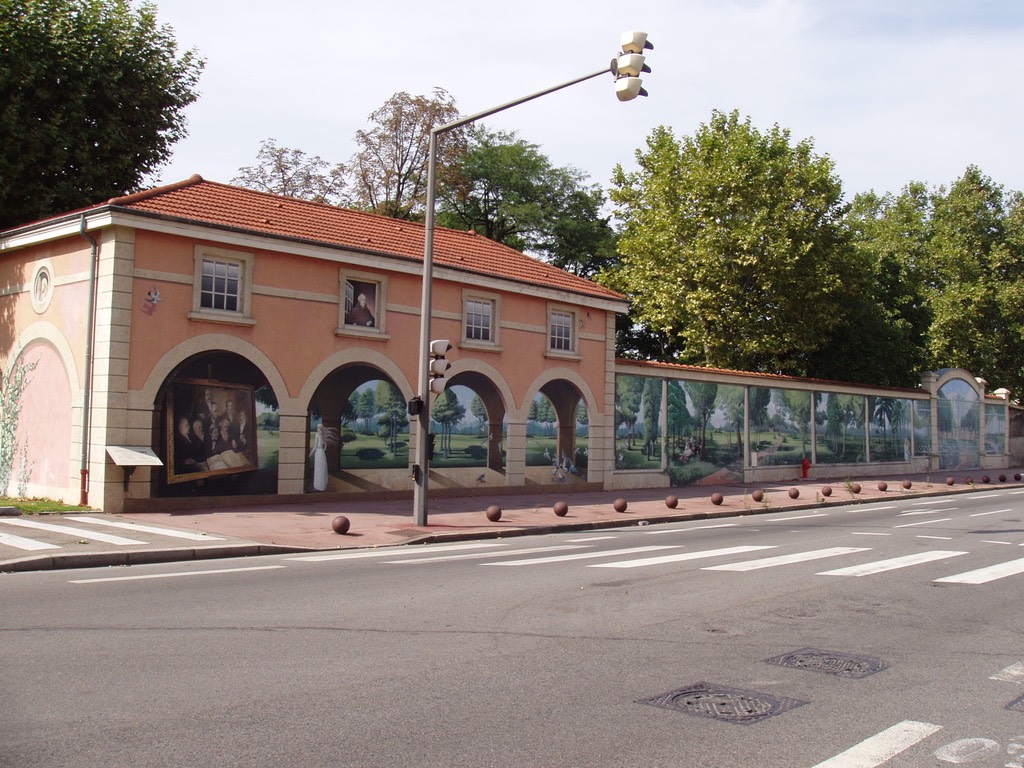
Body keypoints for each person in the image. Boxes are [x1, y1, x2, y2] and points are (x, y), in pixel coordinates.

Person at [310, 423, 329, 491]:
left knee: (318, 468)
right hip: (321, 452)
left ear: (320, 429)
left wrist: (311, 453)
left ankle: (318, 486)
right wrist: (322, 451)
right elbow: (325, 447)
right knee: (321, 468)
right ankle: (321, 485)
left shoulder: (317, 435)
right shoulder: (323, 435)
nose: (317, 429)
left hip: (318, 452)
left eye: (318, 428)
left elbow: (315, 446)